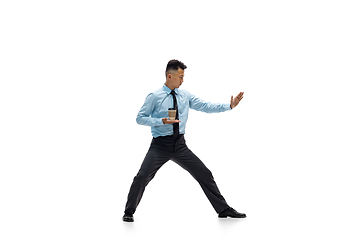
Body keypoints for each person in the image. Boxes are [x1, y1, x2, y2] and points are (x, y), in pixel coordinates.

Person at [123, 60, 245, 222]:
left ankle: (223, 209)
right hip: (160, 145)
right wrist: (162, 121)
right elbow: (140, 118)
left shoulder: (185, 95)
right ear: (169, 76)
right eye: (180, 77)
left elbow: (205, 106)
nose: (182, 80)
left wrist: (229, 105)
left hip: (180, 145)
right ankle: (128, 212)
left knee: (205, 174)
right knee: (142, 176)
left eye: (183, 77)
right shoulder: (154, 96)